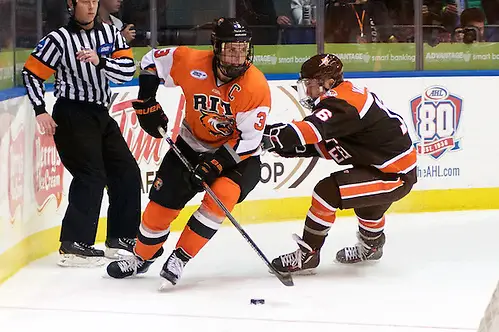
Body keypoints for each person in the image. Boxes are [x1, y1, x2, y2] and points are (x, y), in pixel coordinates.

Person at [106, 17, 271, 287]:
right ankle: (141, 257)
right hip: (191, 144)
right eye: (231, 48)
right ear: (216, 46)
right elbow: (151, 60)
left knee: (222, 196)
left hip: (237, 158)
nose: (237, 56)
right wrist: (146, 99)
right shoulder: (191, 61)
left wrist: (216, 164)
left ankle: (180, 258)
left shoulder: (256, 87)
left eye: (242, 49)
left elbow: (249, 142)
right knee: (157, 213)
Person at [262, 53, 417, 273]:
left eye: (311, 85)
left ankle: (308, 255)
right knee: (368, 209)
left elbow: (311, 130)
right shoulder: (344, 100)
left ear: (328, 83)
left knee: (328, 191)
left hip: (393, 175)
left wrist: (272, 137)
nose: (307, 91)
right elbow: (329, 146)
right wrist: (281, 146)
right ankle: (372, 247)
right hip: (387, 168)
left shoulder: (342, 102)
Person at [22, 0, 140, 267]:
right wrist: (40, 109)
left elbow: (126, 72)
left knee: (127, 172)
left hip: (100, 112)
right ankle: (75, 244)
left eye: (94, 2)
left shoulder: (111, 34)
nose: (90, 7)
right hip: (71, 113)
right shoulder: (59, 39)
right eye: (84, 2)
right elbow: (31, 73)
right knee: (91, 175)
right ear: (70, 4)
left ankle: (121, 238)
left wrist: (100, 62)